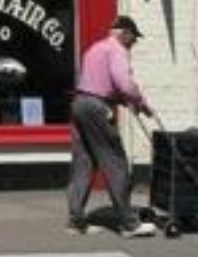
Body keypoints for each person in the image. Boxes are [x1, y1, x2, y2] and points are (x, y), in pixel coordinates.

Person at [67, 15, 157, 238]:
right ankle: (129, 224)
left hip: (80, 104)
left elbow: (98, 83)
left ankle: (76, 222)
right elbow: (123, 84)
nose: (134, 43)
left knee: (83, 164)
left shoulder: (95, 49)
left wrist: (127, 102)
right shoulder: (117, 50)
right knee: (115, 162)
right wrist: (140, 102)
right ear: (124, 33)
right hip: (98, 108)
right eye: (134, 38)